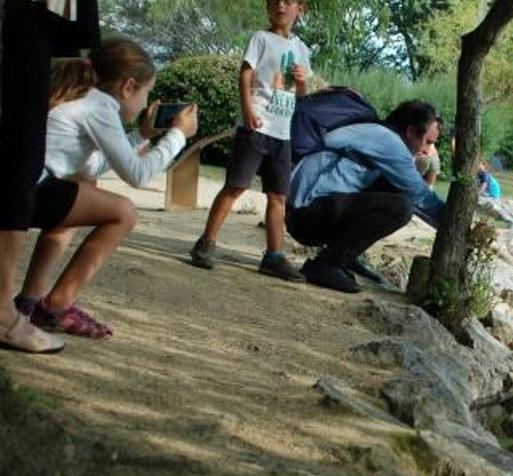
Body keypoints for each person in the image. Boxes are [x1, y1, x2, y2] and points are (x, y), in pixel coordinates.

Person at [11, 38, 198, 339]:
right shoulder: (101, 107)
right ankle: (55, 306)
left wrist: (142, 135)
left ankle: (29, 303)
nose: (144, 102)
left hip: (23, 186)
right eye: (146, 92)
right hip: (20, 192)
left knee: (80, 196)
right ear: (128, 87)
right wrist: (177, 135)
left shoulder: (85, 99)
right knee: (123, 212)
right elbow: (137, 175)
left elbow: (89, 167)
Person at [0, 0, 99, 353]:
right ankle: (10, 311)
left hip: (31, 23)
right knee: (18, 160)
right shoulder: (94, 110)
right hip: (25, 20)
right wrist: (174, 136)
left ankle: (24, 303)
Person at [190, 0, 311, 280]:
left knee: (279, 195)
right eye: (274, 1)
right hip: (255, 126)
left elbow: (301, 96)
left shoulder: (302, 50)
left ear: (300, 9)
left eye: (288, 2)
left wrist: (303, 82)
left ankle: (274, 256)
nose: (280, 6)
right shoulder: (261, 38)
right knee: (236, 186)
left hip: (282, 133)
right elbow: (245, 76)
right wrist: (247, 112)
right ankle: (206, 243)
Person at [285, 100, 444, 293]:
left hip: (305, 211)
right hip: (307, 216)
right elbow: (420, 196)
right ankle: (327, 264)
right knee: (400, 208)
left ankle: (343, 257)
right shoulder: (389, 142)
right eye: (428, 141)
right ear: (410, 132)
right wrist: (455, 224)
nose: (428, 150)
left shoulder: (377, 132)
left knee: (396, 189)